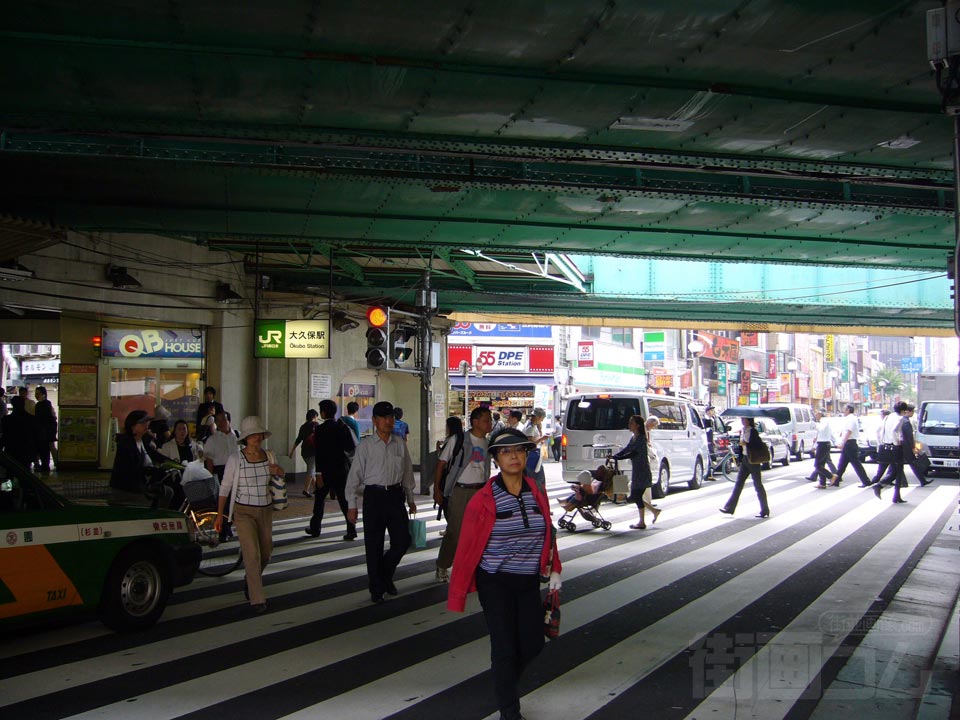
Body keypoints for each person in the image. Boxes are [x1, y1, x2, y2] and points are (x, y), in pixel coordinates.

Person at [447, 428, 562, 720]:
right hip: (495, 581)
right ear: (496, 459)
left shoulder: (536, 490)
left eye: (520, 450)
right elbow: (467, 549)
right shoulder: (484, 499)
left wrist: (555, 568)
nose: (514, 456)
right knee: (504, 646)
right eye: (506, 452)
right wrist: (458, 592)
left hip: (526, 581)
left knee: (533, 643)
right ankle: (510, 711)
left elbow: (548, 532)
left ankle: (504, 681)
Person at [345, 401, 417, 604]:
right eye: (385, 417)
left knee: (402, 541)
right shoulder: (366, 446)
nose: (389, 421)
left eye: (392, 417)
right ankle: (377, 588)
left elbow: (407, 472)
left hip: (395, 497)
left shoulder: (399, 443)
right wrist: (352, 504)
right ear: (375, 421)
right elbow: (354, 477)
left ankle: (384, 576)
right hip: (374, 498)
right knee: (374, 545)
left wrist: (410, 498)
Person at [214, 416, 284, 614]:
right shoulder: (236, 459)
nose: (256, 438)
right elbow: (225, 487)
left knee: (266, 552)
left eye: (258, 434)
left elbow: (279, 476)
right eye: (252, 435)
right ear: (245, 437)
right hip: (242, 510)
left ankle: (251, 577)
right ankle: (257, 598)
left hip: (265, 509)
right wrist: (220, 515)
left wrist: (279, 471)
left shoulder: (269, 455)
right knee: (252, 554)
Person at [434, 406, 492, 583]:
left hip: (480, 491)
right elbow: (441, 464)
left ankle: (471, 567)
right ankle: (443, 565)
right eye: (486, 420)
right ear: (475, 422)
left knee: (478, 532)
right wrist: (437, 490)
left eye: (490, 420)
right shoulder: (459, 439)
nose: (489, 424)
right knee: (455, 532)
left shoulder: (488, 444)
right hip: (460, 490)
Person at [306, 400, 357, 541]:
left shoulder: (320, 429)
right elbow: (350, 446)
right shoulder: (342, 426)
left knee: (319, 500)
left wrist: (318, 473)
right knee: (344, 501)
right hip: (341, 470)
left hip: (325, 472)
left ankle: (315, 528)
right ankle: (351, 530)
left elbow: (319, 453)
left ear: (322, 412)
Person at [612, 414, 661, 529]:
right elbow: (627, 449)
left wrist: (618, 458)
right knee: (636, 495)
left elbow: (633, 453)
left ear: (637, 425)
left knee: (635, 495)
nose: (629, 425)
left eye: (631, 423)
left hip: (642, 470)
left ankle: (643, 521)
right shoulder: (634, 437)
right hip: (637, 470)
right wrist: (615, 455)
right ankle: (653, 512)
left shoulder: (641, 438)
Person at [720, 416, 770, 518]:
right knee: (738, 484)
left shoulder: (753, 431)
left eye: (744, 419)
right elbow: (740, 446)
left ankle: (764, 509)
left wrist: (747, 443)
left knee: (758, 485)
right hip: (745, 460)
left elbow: (757, 445)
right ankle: (729, 508)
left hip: (753, 460)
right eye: (742, 419)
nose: (743, 421)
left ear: (749, 420)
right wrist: (739, 459)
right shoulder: (742, 431)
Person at [109, 409, 167, 496]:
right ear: (132, 426)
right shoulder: (126, 443)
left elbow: (156, 456)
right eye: (142, 422)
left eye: (147, 421)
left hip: (140, 486)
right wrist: (152, 470)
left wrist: (174, 464)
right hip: (125, 490)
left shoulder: (143, 440)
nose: (146, 424)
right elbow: (131, 468)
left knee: (166, 491)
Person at [834, 404, 871, 488]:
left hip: (850, 443)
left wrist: (843, 442)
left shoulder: (851, 419)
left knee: (856, 463)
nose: (843, 411)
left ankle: (866, 481)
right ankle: (836, 480)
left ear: (848, 410)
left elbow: (849, 431)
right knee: (842, 463)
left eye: (844, 409)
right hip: (849, 443)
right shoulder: (850, 419)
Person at [1, 395, 41, 471]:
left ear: (12, 404)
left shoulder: (6, 420)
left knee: (11, 473)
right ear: (23, 404)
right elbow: (36, 437)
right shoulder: (31, 419)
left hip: (11, 450)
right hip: (26, 450)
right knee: (25, 474)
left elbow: (4, 436)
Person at [289, 409, 319, 497]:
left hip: (304, 453)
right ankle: (305, 490)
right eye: (316, 417)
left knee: (312, 470)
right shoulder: (316, 425)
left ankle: (316, 489)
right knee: (311, 471)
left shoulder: (303, 426)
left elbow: (298, 440)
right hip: (313, 452)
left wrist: (291, 451)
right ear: (314, 417)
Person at [204, 411, 240, 482]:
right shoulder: (212, 440)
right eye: (217, 421)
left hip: (237, 470)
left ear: (229, 421)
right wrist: (211, 478)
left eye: (223, 420)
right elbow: (209, 460)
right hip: (220, 472)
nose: (220, 423)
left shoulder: (238, 436)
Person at [810, 410, 838, 487]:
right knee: (821, 464)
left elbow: (821, 430)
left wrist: (815, 424)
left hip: (824, 444)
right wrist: (814, 446)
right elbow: (819, 435)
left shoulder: (824, 421)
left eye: (816, 413)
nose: (815, 415)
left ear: (820, 414)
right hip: (821, 443)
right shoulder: (821, 422)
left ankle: (831, 476)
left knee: (817, 465)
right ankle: (822, 483)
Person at [33, 386, 57, 473]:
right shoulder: (47, 404)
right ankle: (54, 464)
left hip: (43, 432)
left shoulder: (40, 405)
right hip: (48, 431)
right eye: (36, 394)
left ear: (44, 394)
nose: (36, 395)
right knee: (50, 448)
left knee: (44, 449)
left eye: (38, 394)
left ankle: (43, 465)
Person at [703, 406, 727, 481]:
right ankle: (708, 475)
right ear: (708, 412)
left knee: (712, 457)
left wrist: (713, 441)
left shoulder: (711, 419)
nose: (713, 412)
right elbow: (706, 432)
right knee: (711, 457)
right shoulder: (705, 420)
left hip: (710, 441)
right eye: (712, 410)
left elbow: (711, 432)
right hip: (707, 442)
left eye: (713, 410)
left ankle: (709, 474)